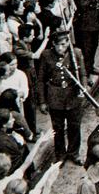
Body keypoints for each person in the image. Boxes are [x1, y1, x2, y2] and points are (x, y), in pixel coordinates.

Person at [37, 29, 86, 164]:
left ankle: (74, 153)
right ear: (53, 44)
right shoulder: (46, 56)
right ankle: (60, 154)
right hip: (55, 97)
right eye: (58, 45)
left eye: (64, 44)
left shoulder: (75, 53)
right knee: (57, 128)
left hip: (73, 95)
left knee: (74, 126)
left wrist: (83, 88)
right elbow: (40, 79)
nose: (60, 48)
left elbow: (82, 73)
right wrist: (42, 101)